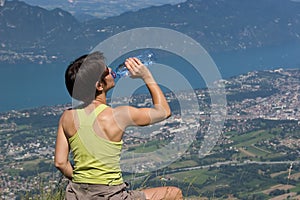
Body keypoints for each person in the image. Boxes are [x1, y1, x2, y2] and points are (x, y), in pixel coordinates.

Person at [54, 51, 183, 200]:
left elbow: (60, 162)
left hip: (76, 194)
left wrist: (84, 182)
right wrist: (146, 76)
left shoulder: (67, 117)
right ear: (99, 85)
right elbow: (164, 111)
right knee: (174, 193)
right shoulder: (118, 116)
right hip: (110, 195)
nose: (110, 70)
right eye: (106, 70)